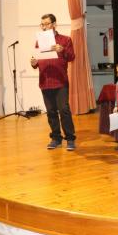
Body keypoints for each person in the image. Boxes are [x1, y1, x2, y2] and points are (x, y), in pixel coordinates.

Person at [30, 14, 77, 151]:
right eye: (42, 24)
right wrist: (34, 63)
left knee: (64, 110)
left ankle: (70, 139)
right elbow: (38, 61)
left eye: (47, 24)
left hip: (60, 81)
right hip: (45, 81)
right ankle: (56, 138)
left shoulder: (65, 40)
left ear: (54, 24)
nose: (44, 27)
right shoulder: (39, 41)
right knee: (51, 111)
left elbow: (71, 57)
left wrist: (62, 50)